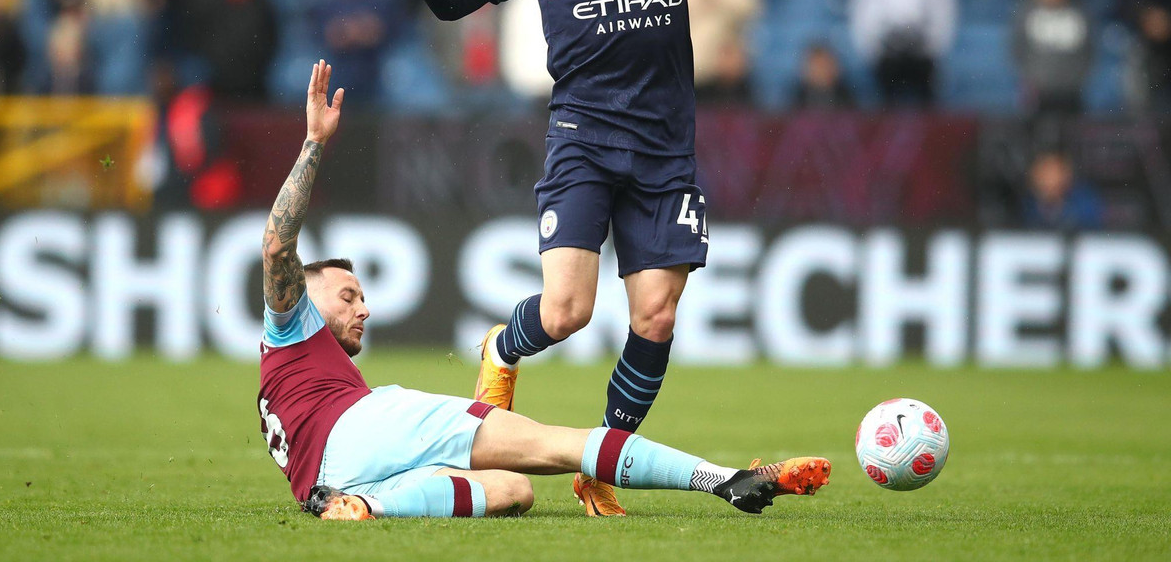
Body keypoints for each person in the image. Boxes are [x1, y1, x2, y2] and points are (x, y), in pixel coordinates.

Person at [342, 0, 886, 516]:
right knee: (567, 312)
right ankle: (503, 347)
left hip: (665, 152)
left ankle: (599, 467)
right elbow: (453, 1)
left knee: (655, 319)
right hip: (584, 143)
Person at [257, 59, 831, 520]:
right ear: (307, 300)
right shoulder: (290, 329)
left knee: (512, 491)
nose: (363, 308)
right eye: (347, 296)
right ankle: (725, 480)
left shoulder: (300, 381)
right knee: (555, 444)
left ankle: (359, 507)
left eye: (362, 297)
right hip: (361, 426)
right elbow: (279, 247)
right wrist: (314, 142)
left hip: (331, 476)